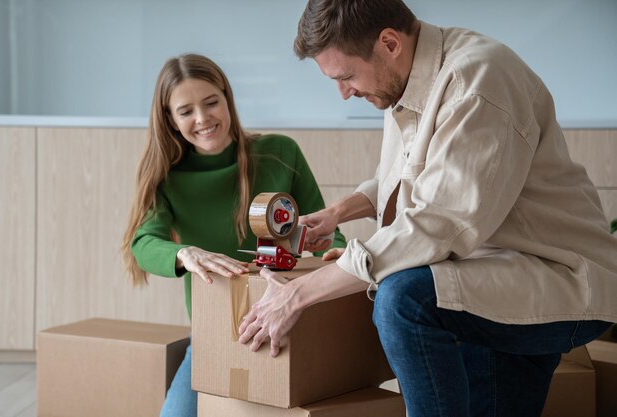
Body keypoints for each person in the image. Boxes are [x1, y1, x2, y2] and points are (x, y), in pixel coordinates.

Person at [237, 1, 617, 416]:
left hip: (557, 277)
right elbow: (412, 179)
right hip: (488, 269)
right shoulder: (401, 83)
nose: (344, 92)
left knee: (403, 298)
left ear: (389, 43)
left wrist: (297, 297)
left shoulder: (478, 82)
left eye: (346, 76)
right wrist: (337, 214)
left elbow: (438, 223)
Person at [121, 53, 346, 417]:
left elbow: (332, 239)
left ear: (228, 99)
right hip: (214, 340)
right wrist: (184, 254)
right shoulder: (167, 177)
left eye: (212, 102)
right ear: (170, 119)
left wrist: (326, 250)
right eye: (186, 111)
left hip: (291, 327)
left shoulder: (280, 153)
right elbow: (143, 244)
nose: (202, 119)